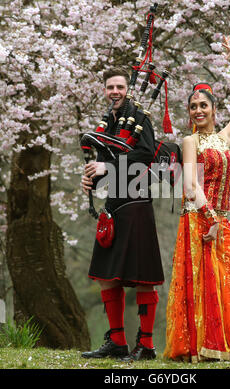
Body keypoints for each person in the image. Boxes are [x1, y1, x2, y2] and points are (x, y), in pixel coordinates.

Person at [163, 36, 230, 363]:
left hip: (221, 218)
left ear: (214, 109)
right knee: (202, 283)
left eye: (204, 105)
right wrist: (209, 217)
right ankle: (202, 347)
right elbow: (190, 182)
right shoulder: (190, 141)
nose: (198, 110)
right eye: (193, 106)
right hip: (199, 217)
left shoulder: (225, 137)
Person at [81, 68, 164, 361]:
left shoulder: (141, 119)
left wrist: (108, 168)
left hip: (137, 204)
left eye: (119, 86)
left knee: (143, 278)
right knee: (107, 276)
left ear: (127, 89)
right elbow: (107, 171)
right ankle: (117, 341)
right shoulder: (107, 124)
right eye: (109, 87)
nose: (114, 91)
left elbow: (146, 155)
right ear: (104, 90)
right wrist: (93, 179)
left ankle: (147, 345)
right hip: (114, 206)